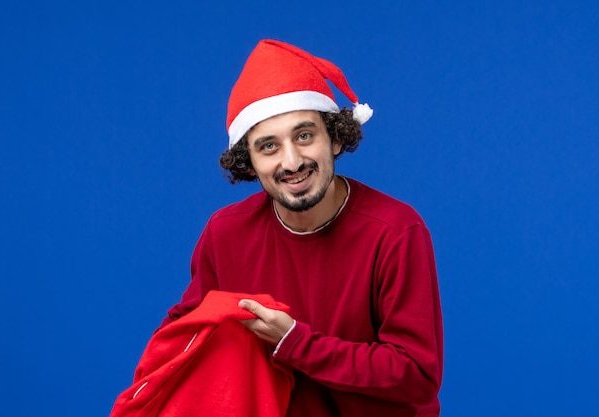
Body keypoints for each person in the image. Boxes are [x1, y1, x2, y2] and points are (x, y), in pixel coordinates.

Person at [159, 39, 443, 416]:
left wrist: (296, 342)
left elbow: (417, 375)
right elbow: (186, 334)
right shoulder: (225, 233)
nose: (291, 161)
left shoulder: (395, 231)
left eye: (304, 136)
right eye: (269, 147)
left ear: (337, 138)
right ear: (248, 164)